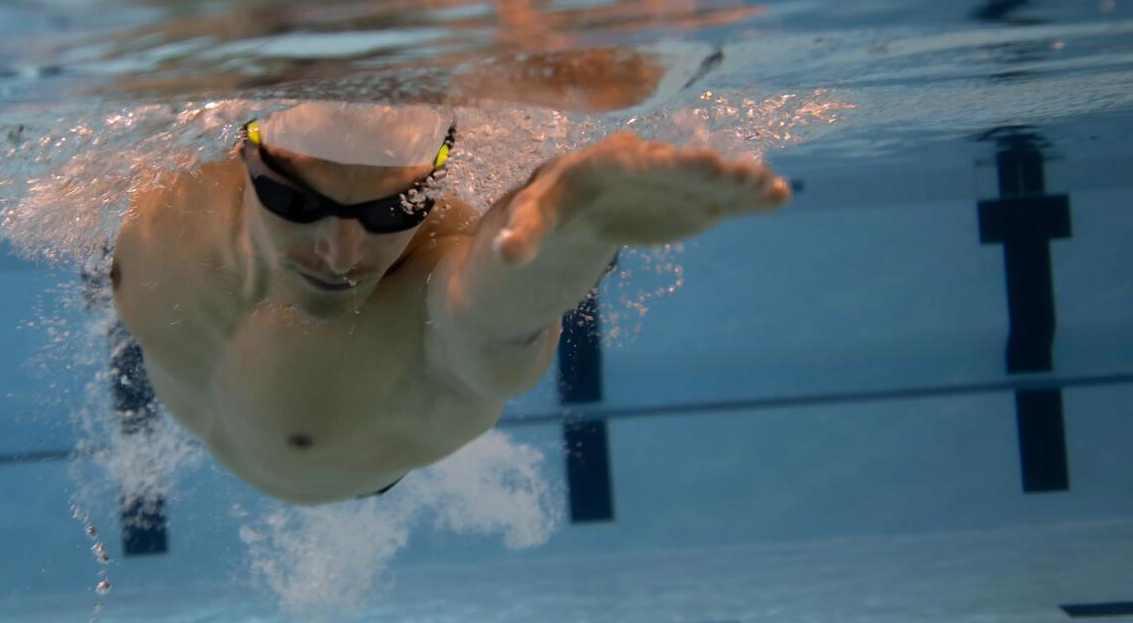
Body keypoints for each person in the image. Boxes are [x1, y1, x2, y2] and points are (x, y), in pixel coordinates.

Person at [108, 101, 790, 505]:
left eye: (395, 208)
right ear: (245, 159)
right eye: (299, 202)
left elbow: (486, 311)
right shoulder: (171, 186)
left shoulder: (430, 286)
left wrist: (574, 227)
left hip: (351, 457)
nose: (342, 253)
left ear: (432, 189)